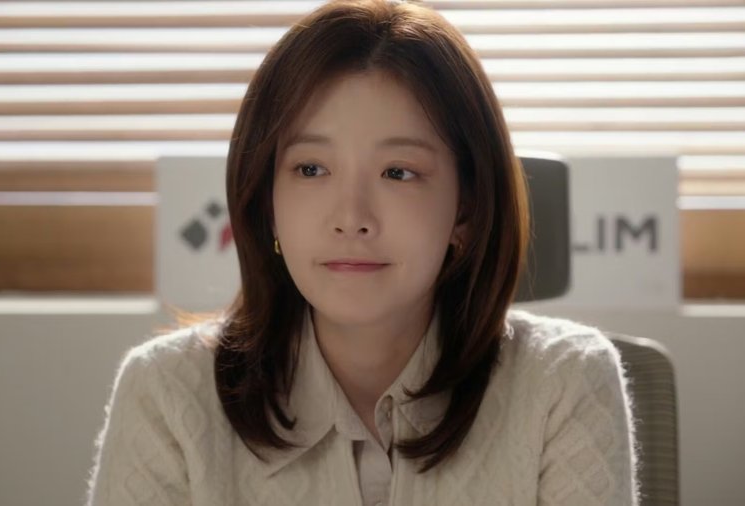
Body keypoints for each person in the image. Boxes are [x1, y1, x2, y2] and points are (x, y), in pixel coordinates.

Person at [84, 0, 641, 504]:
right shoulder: (166, 393)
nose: (351, 218)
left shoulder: (563, 382)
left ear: (466, 210)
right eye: (311, 169)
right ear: (266, 202)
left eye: (398, 172)